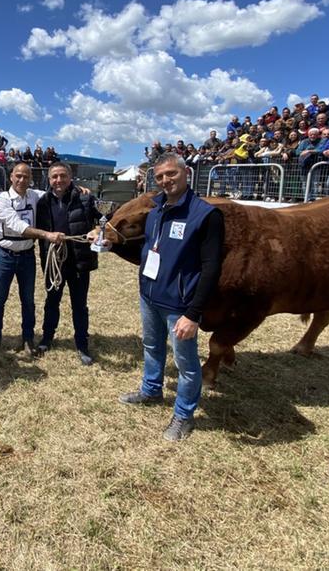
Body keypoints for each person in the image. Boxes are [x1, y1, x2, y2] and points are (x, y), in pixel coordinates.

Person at [114, 153, 224, 442]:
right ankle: (151, 389)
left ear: (186, 172)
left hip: (180, 305)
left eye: (171, 174)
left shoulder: (205, 215)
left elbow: (212, 268)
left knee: (186, 364)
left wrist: (193, 313)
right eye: (160, 176)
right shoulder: (156, 211)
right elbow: (150, 249)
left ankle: (183, 415)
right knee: (151, 345)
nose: (166, 180)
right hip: (150, 295)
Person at [0, 161, 63, 357]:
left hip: (27, 256)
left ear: (30, 179)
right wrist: (46, 235)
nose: (22, 180)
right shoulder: (1, 201)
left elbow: (57, 192)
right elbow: (18, 226)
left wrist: (77, 189)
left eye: (26, 177)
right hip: (5, 255)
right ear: (11, 176)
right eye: (18, 176)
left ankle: (28, 338)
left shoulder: (35, 196)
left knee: (28, 301)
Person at [35, 162, 102, 366]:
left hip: (79, 261)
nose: (58, 180)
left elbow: (105, 219)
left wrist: (98, 231)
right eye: (54, 176)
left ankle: (82, 344)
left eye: (63, 176)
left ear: (70, 177)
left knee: (79, 305)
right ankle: (47, 338)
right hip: (54, 261)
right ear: (49, 179)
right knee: (51, 301)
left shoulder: (86, 198)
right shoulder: (43, 202)